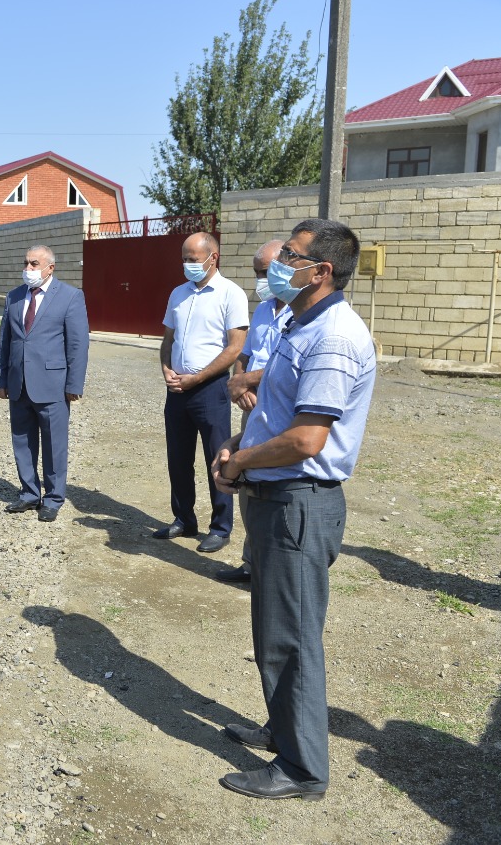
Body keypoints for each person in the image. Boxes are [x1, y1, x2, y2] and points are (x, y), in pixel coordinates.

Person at [212, 218, 377, 801]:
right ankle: (283, 729)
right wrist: (246, 404)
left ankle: (303, 768)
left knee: (291, 639)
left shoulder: (333, 335)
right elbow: (283, 396)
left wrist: (238, 463)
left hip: (298, 505)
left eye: (291, 254)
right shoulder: (300, 322)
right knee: (275, 630)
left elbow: (307, 439)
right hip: (278, 499)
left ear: (321, 271)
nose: (279, 262)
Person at [154, 231, 248, 553]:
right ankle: (183, 518)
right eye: (184, 259)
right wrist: (166, 366)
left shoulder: (230, 294)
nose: (187, 265)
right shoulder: (178, 294)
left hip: (210, 390)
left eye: (192, 260)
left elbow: (235, 348)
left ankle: (221, 527)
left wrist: (198, 378)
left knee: (217, 458)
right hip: (177, 389)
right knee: (178, 459)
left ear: (213, 258)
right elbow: (168, 339)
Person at [0, 244, 89, 522]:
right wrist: (1, 378)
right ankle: (28, 493)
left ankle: (54, 497)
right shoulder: (14, 297)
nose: (28, 269)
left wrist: (74, 384)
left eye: (34, 264)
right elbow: (5, 341)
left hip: (53, 384)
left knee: (53, 442)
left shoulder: (70, 297)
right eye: (26, 263)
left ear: (50, 268)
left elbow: (77, 344)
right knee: (22, 440)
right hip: (18, 383)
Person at [217, 239, 290, 583]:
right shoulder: (262, 309)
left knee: (274, 486)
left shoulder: (301, 312)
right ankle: (251, 562)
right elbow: (246, 353)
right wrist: (239, 382)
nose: (261, 280)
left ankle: (271, 567)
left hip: (281, 408)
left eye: (265, 273)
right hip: (252, 405)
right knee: (248, 485)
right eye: (257, 273)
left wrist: (246, 380)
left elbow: (287, 365)